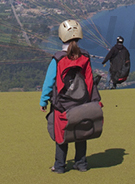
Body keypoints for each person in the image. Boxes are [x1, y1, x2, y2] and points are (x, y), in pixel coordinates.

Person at [40, 19, 102, 173]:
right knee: (81, 133)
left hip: (62, 105)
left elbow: (49, 83)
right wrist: (92, 101)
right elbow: (89, 81)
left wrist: (44, 101)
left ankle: (60, 166)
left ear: (61, 37)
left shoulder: (58, 59)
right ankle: (81, 164)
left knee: (61, 135)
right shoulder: (85, 56)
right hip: (82, 103)